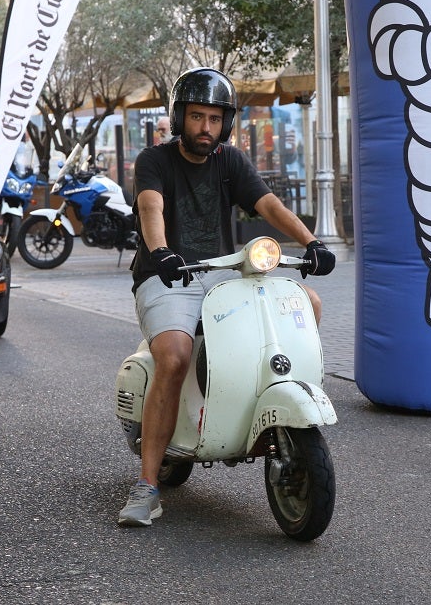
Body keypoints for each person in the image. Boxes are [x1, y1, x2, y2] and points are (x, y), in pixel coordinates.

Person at [117, 67, 336, 527]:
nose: (206, 128)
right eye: (197, 117)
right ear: (180, 118)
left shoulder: (230, 161)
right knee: (175, 354)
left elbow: (268, 204)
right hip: (168, 276)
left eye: (215, 119)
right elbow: (150, 207)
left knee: (306, 304)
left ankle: (261, 410)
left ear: (226, 123)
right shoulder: (154, 161)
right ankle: (147, 485)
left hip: (223, 274)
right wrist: (159, 251)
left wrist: (312, 242)